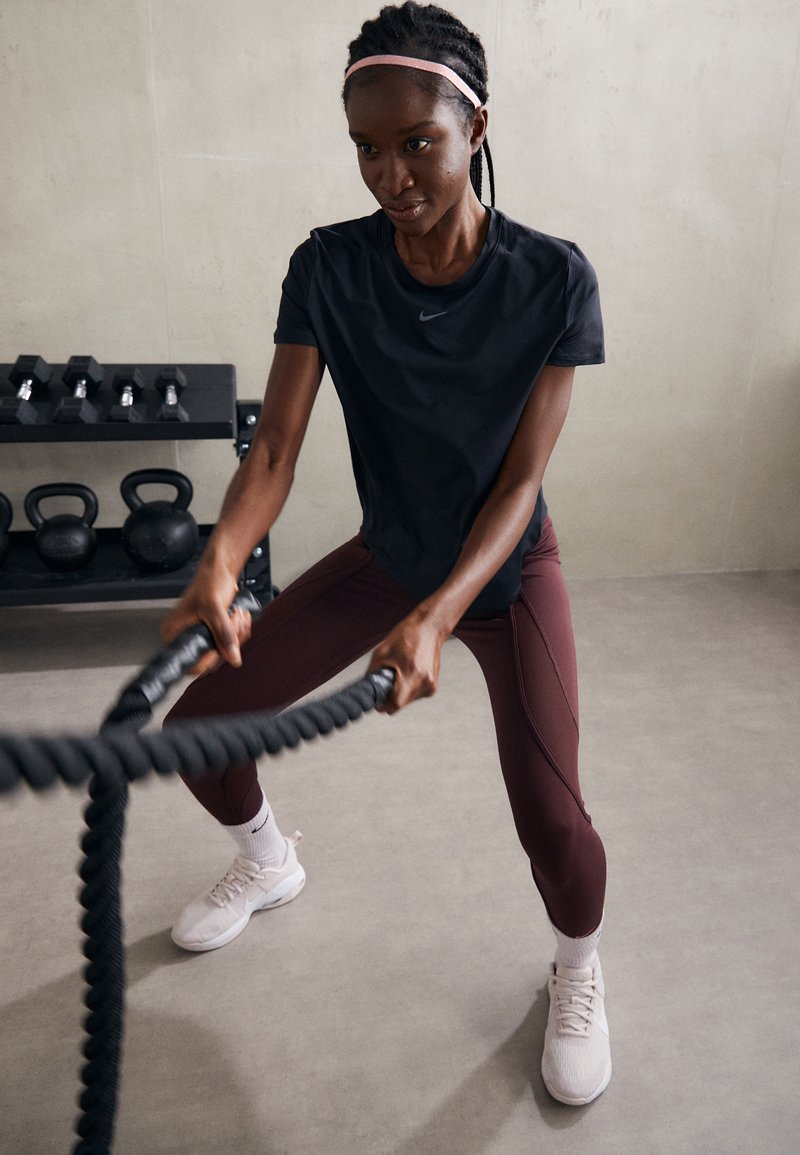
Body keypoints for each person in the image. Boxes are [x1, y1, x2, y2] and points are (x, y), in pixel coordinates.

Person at [162, 0, 611, 1106]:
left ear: (475, 128)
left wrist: (440, 614)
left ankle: (577, 965)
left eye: (418, 142)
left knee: (553, 818)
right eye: (366, 148)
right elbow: (274, 447)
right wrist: (221, 557)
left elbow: (520, 483)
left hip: (503, 574)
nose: (391, 176)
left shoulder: (554, 279)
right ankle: (269, 861)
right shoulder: (328, 267)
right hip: (390, 558)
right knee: (198, 728)